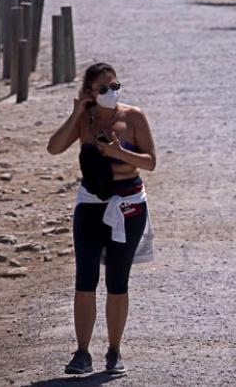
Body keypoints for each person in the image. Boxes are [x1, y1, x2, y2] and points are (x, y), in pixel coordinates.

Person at [47, 63, 157, 376]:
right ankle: (82, 352)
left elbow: (150, 162)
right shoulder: (85, 119)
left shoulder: (133, 117)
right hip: (91, 205)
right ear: (90, 93)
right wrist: (76, 113)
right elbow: (54, 148)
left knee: (118, 281)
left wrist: (119, 152)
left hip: (128, 205)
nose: (112, 93)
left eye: (115, 85)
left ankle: (114, 350)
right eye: (103, 88)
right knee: (85, 279)